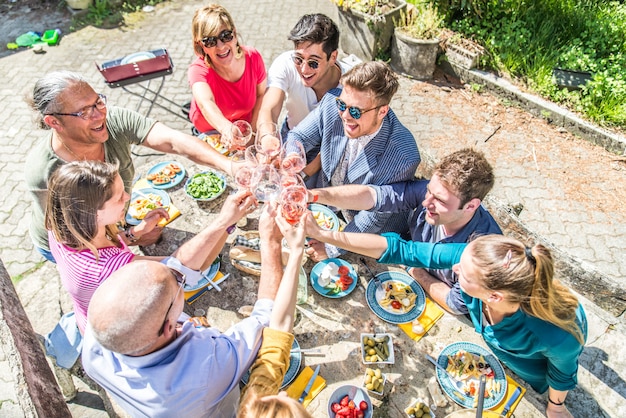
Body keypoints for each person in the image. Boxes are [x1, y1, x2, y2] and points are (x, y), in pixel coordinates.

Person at [304, 220, 586, 418]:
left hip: (529, 371)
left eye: (462, 273)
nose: (454, 268)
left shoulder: (555, 334)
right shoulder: (476, 261)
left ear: (494, 297)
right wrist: (327, 235)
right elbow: (403, 250)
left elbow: (562, 372)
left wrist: (556, 407)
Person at [82, 203, 283, 418]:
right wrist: (271, 242)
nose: (180, 276)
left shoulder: (96, 339)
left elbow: (177, 266)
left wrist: (225, 223)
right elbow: (268, 318)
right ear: (170, 325)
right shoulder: (207, 366)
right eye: (178, 283)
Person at [25, 70, 234, 262]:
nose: (99, 115)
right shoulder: (45, 173)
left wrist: (231, 166)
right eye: (83, 112)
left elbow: (172, 140)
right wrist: (131, 237)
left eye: (98, 102)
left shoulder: (113, 120)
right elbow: (89, 250)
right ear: (54, 122)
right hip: (77, 245)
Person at [45, 160, 255, 333]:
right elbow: (183, 268)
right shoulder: (110, 268)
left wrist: (134, 233)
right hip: (126, 333)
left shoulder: (63, 225)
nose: (127, 197)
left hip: (93, 318)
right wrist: (225, 222)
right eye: (119, 198)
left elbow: (104, 241)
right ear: (95, 214)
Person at [308, 148, 502, 314]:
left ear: (471, 206)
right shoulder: (433, 196)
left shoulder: (483, 250)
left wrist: (414, 270)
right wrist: (313, 196)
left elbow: (456, 304)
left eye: (440, 201)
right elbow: (374, 196)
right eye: (428, 191)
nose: (426, 203)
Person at [286, 60, 421, 260]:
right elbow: (298, 137)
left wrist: (332, 247)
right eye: (342, 105)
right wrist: (293, 157)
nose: (345, 116)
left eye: (356, 111)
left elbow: (373, 217)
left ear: (382, 111)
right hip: (328, 210)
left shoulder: (403, 156)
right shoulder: (332, 104)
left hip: (370, 235)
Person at [237, 204, 312, 418]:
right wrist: (296, 251)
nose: (286, 393)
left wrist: (294, 251)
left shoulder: (254, 405)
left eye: (279, 396)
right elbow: (277, 336)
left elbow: (277, 333)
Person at [257, 13, 349, 138]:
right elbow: (269, 109)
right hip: (292, 133)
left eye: (313, 63)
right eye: (299, 59)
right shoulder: (285, 63)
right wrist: (267, 137)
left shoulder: (352, 83)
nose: (304, 70)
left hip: (331, 144)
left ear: (332, 57)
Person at [188, 4, 266, 136]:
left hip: (244, 127)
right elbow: (205, 103)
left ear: (234, 33)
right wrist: (226, 129)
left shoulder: (253, 57)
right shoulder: (198, 70)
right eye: (210, 41)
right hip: (210, 132)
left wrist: (253, 132)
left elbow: (262, 95)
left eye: (225, 36)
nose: (221, 46)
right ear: (200, 45)